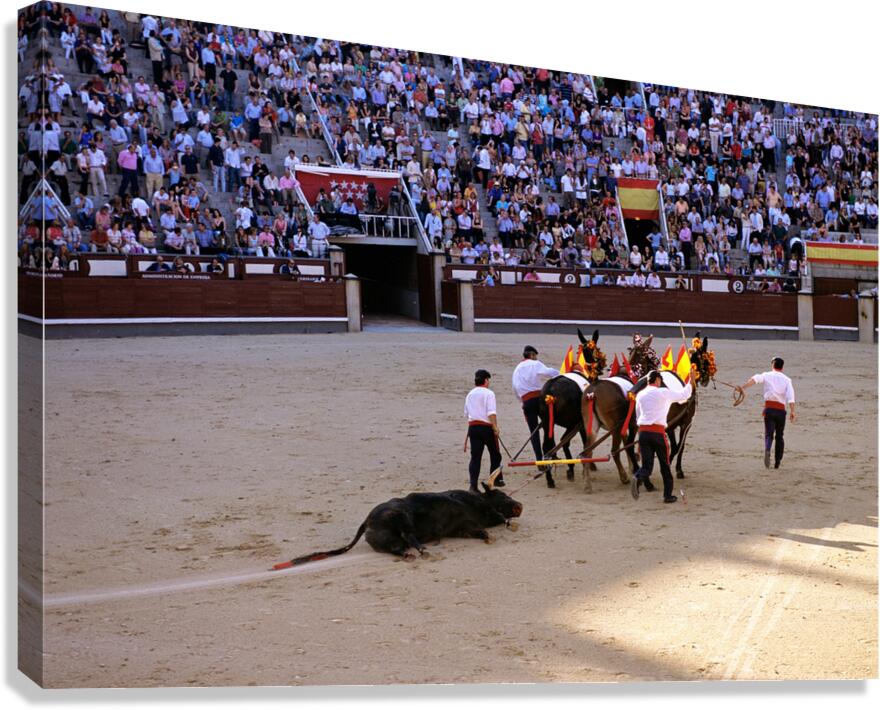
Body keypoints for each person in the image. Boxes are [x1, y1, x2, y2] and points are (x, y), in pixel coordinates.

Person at [631, 370, 693, 504]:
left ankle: (638, 476)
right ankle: (667, 495)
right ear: (658, 380)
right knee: (665, 465)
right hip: (657, 433)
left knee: (647, 466)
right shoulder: (663, 392)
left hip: (643, 432)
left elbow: (638, 414)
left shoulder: (640, 394)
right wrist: (691, 380)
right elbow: (685, 394)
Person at [739, 357, 796, 469]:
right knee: (780, 436)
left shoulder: (766, 375)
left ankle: (767, 449)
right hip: (780, 411)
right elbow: (791, 398)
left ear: (772, 365)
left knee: (769, 434)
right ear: (782, 367)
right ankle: (777, 462)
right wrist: (793, 411)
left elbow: (755, 380)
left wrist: (742, 388)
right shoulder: (787, 380)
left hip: (769, 409)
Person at [512, 346, 559, 464]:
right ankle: (551, 453)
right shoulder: (535, 364)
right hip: (539, 400)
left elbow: (515, 388)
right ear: (532, 355)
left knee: (534, 432)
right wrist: (561, 374)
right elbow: (549, 372)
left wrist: (523, 402)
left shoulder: (517, 369)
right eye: (535, 355)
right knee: (549, 426)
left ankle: (539, 459)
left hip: (527, 401)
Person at [464, 369, 503, 491]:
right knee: (495, 454)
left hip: (473, 428)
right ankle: (495, 479)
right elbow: (491, 412)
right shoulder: (489, 393)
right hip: (486, 427)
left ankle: (473, 485)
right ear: (486, 380)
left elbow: (466, 413)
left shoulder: (470, 394)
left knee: (475, 457)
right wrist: (495, 427)